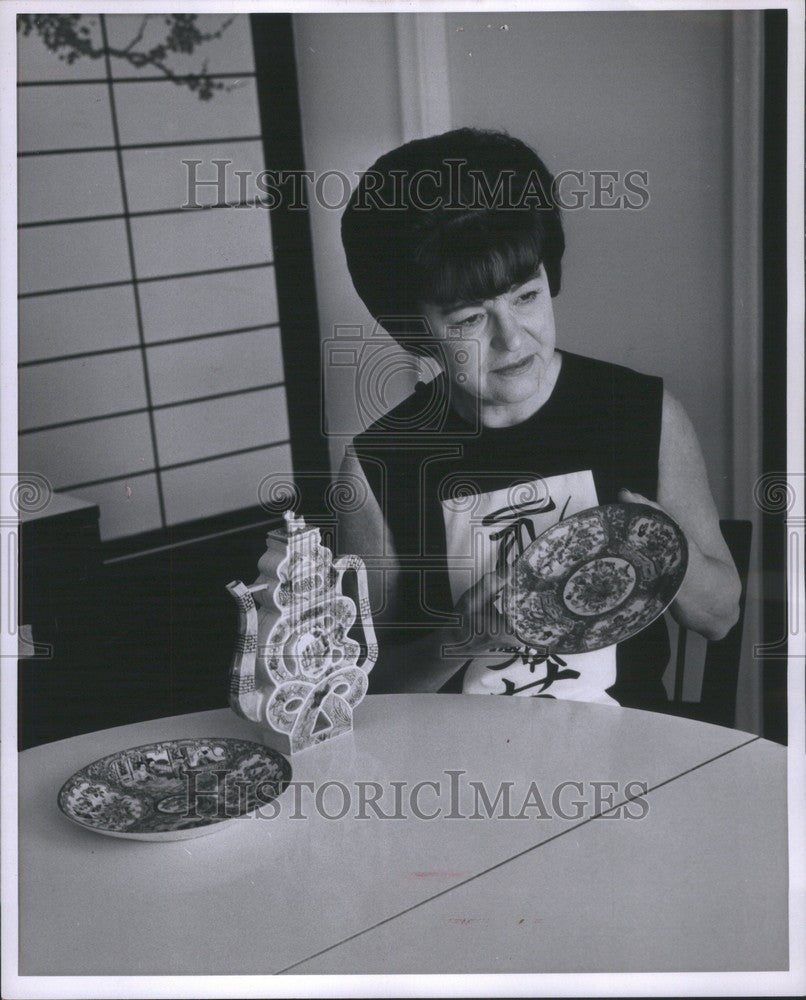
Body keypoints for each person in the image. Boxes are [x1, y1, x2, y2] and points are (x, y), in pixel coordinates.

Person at [336, 128, 740, 710]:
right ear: (411, 331)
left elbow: (720, 618)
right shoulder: (379, 465)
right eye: (470, 317)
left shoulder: (641, 413)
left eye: (526, 296)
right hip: (462, 771)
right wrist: (457, 640)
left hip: (633, 755)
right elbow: (360, 692)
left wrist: (664, 551)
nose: (513, 337)